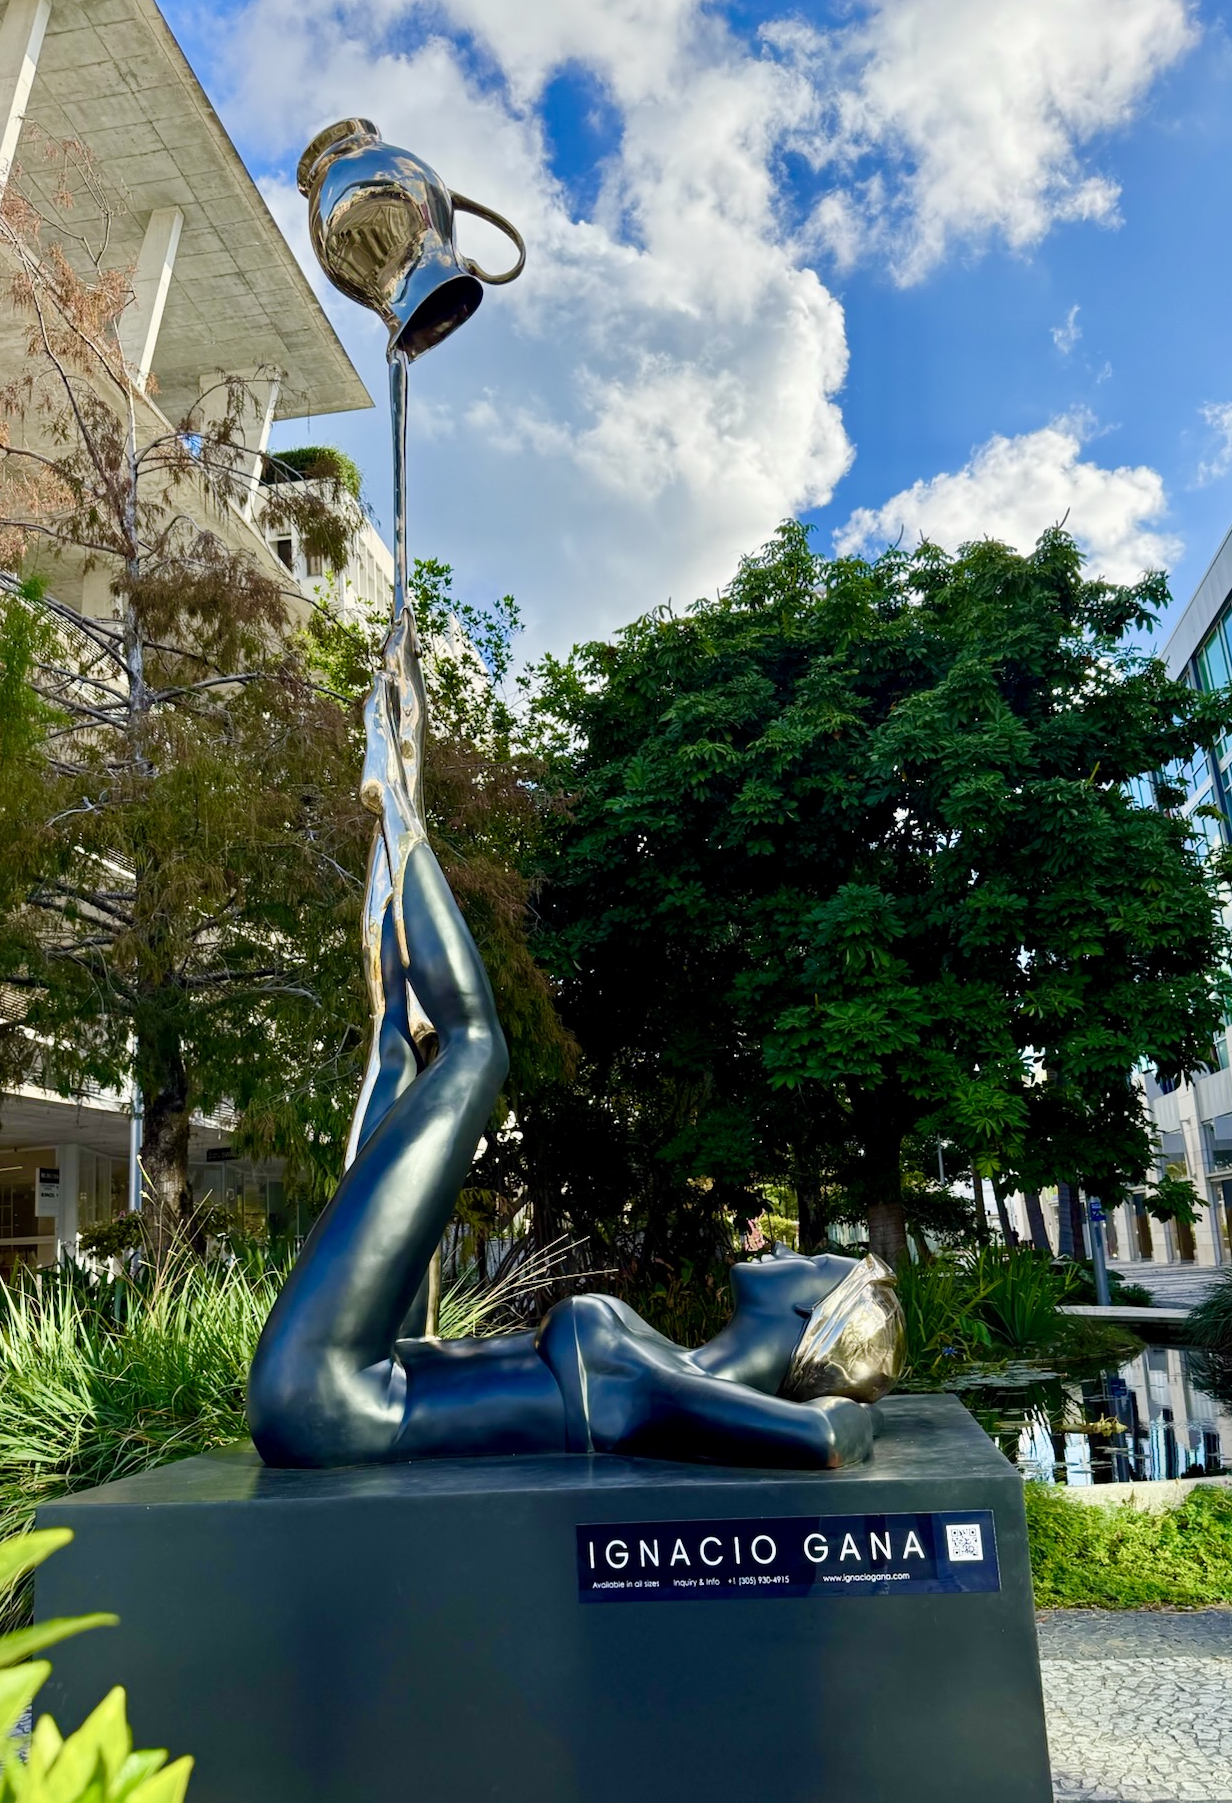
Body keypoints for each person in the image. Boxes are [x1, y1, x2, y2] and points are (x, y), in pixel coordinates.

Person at [247, 618, 900, 1471]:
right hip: (379, 1373)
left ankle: (398, 807)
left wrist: (846, 1407)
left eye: (815, 1264)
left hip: (330, 1402)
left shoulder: (668, 1387)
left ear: (811, 1319)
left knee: (479, 1048)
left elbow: (821, 1440)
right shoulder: (668, 1362)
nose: (789, 1247)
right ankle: (397, 822)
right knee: (404, 1048)